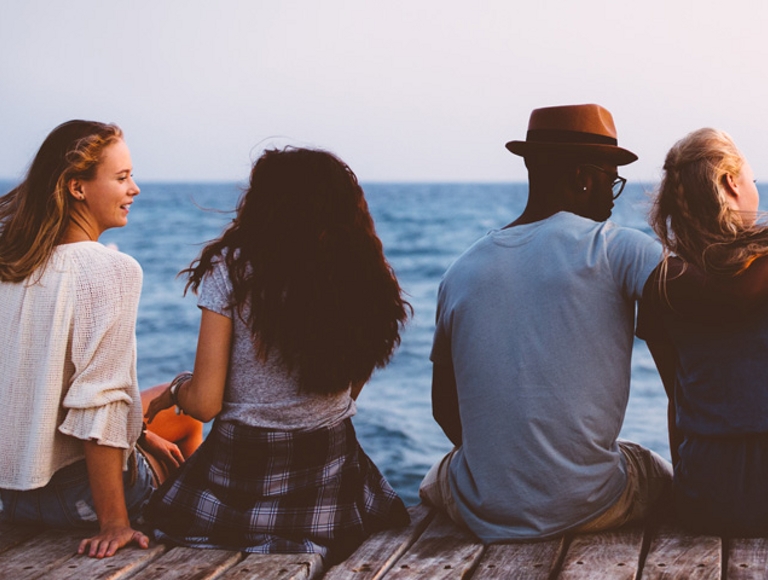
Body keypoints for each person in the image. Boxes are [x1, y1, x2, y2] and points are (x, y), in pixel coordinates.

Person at [419, 104, 674, 542]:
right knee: (649, 467)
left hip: (482, 508)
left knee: (433, 478)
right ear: (582, 178)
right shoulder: (620, 249)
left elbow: (445, 408)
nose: (611, 202)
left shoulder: (459, 272)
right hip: (594, 504)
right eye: (610, 183)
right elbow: (697, 300)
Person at [143, 146, 411, 562]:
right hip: (328, 482)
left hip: (238, 480)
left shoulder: (233, 269)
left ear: (265, 206)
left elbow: (206, 404)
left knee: (151, 458)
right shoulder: (356, 274)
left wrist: (176, 390)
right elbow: (349, 389)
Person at [0, 120, 202, 558]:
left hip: (9, 492)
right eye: (122, 177)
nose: (136, 189)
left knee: (158, 418)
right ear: (77, 187)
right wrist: (114, 522)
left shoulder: (11, 264)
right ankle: (181, 523)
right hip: (78, 502)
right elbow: (101, 402)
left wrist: (140, 434)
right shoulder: (108, 270)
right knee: (188, 419)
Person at [637, 127, 768, 536]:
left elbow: (677, 404)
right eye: (749, 178)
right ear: (731, 183)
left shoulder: (662, 286)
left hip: (707, 494)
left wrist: (691, 491)